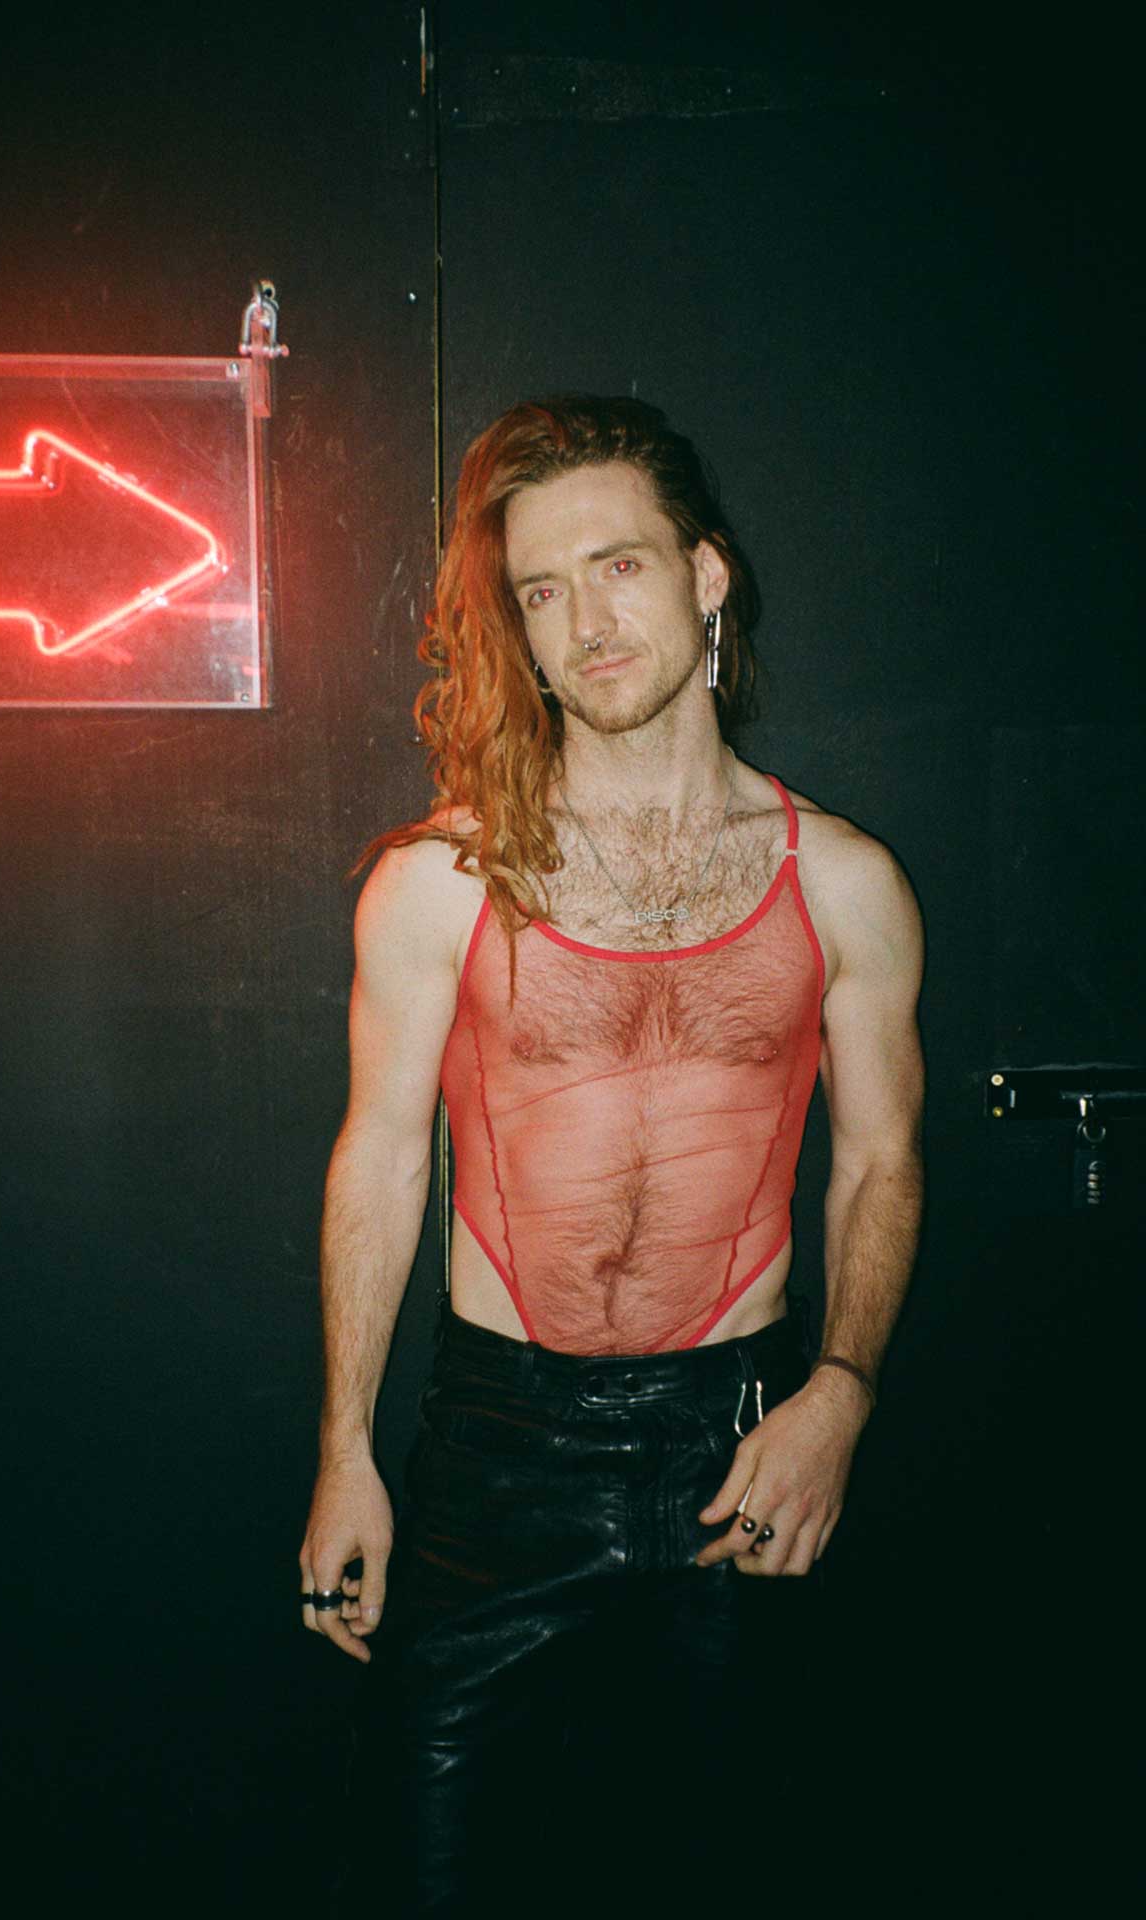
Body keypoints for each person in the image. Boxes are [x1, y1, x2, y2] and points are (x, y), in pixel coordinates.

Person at [301, 396, 925, 1911]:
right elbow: (379, 1161)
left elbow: (881, 1163)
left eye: (619, 567)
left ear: (707, 575)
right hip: (495, 1455)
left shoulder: (843, 883)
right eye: (541, 590)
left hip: (740, 1449)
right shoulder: (443, 882)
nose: (583, 624)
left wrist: (842, 1395)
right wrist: (345, 1454)